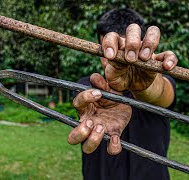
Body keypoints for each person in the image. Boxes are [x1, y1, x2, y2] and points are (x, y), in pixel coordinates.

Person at [68, 8, 178, 180]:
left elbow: (161, 92)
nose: (116, 60)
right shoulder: (88, 85)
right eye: (109, 51)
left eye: (125, 50)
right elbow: (82, 96)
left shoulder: (159, 81)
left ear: (140, 47)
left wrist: (144, 84)